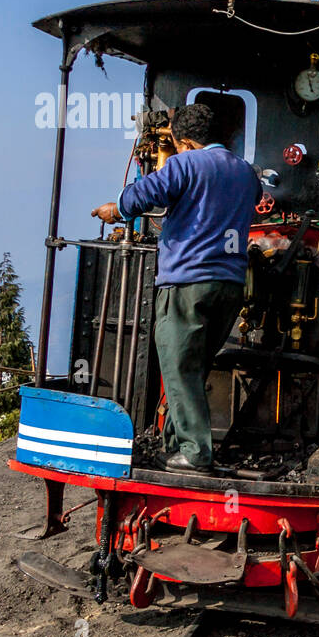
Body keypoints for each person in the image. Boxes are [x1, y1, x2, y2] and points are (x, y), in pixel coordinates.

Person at [91, 103, 261, 474]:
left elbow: (142, 196)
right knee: (193, 367)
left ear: (184, 142)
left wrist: (114, 209)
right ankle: (174, 445)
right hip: (230, 283)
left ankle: (196, 454)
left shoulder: (185, 164)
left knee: (179, 367)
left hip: (187, 280)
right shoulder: (247, 174)